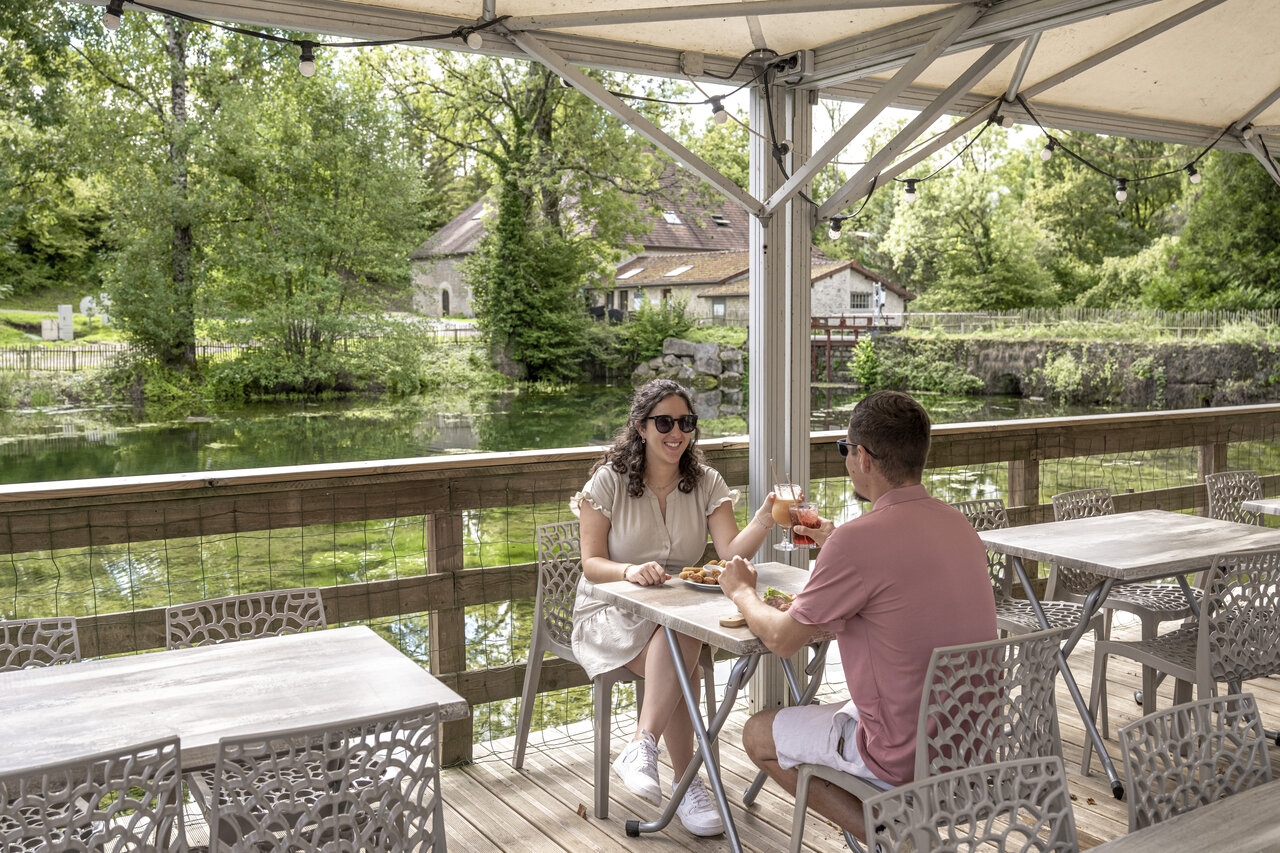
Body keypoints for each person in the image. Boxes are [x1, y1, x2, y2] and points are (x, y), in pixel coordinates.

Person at [718, 390, 997, 842]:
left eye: (844, 450)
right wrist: (833, 543)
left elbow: (783, 642)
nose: (846, 459)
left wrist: (742, 592)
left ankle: (891, 838)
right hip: (972, 743)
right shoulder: (957, 523)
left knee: (757, 733)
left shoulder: (858, 540)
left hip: (901, 755)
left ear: (863, 458)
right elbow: (900, 597)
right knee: (831, 716)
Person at [570, 378, 779, 837]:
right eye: (664, 421)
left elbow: (727, 552)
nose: (676, 432)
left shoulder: (706, 482)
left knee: (680, 635)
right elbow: (590, 564)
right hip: (611, 610)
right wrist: (628, 571)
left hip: (676, 611)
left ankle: (645, 747)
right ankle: (688, 788)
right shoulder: (608, 481)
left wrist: (764, 519)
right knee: (683, 657)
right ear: (641, 427)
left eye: (685, 422)